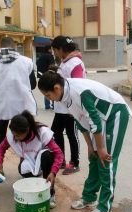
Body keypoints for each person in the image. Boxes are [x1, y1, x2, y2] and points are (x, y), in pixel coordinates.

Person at [38, 70, 132, 212]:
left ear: (56, 88)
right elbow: (80, 121)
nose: (49, 99)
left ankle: (105, 206)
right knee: (94, 158)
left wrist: (101, 149)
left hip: (115, 114)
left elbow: (94, 121)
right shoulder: (64, 95)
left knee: (106, 160)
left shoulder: (79, 92)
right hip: (100, 119)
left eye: (48, 96)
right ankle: (89, 197)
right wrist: (91, 146)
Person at [0, 36, 37, 183]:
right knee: (25, 137)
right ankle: (26, 168)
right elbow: (33, 85)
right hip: (23, 108)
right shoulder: (27, 62)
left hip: (1, 107)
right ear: (14, 46)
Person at [0, 110, 63, 208]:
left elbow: (59, 154)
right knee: (23, 169)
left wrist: (53, 172)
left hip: (44, 160)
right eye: (14, 134)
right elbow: (1, 148)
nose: (15, 138)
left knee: (46, 156)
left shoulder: (42, 133)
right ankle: (34, 184)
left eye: (17, 135)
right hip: (29, 162)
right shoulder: (12, 135)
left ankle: (50, 192)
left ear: (27, 131)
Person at [50, 36, 86, 175]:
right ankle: (61, 159)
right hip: (61, 107)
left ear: (60, 49)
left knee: (72, 134)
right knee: (55, 131)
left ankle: (74, 162)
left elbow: (78, 85)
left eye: (55, 50)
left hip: (71, 108)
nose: (55, 53)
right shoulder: (65, 62)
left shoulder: (75, 62)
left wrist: (75, 107)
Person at [36, 45, 55, 110]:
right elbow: (52, 66)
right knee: (52, 90)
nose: (52, 51)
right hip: (49, 75)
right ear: (48, 50)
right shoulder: (50, 56)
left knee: (46, 90)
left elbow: (37, 64)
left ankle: (47, 105)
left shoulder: (40, 56)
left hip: (41, 75)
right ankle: (53, 105)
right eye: (51, 49)